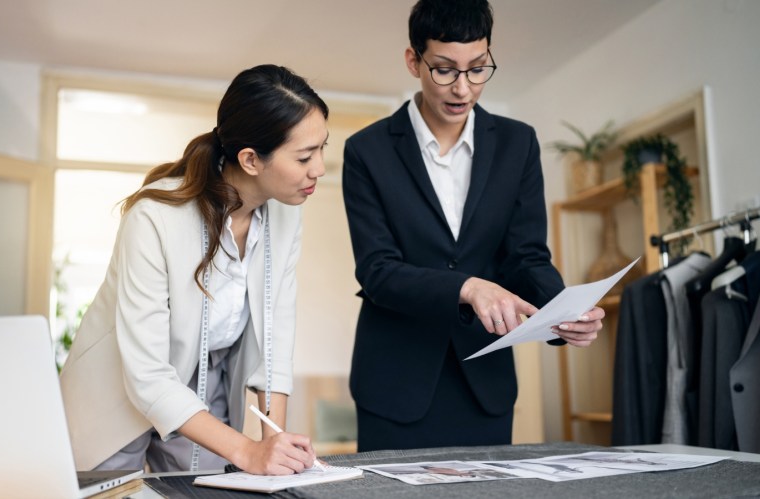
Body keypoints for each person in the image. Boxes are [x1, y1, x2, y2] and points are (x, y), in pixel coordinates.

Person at [341, 0, 605, 452]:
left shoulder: (517, 143)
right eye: (445, 69)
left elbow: (526, 255)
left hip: (485, 381)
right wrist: (466, 287)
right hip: (394, 383)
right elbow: (378, 271)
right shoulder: (366, 151)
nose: (463, 88)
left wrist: (562, 311)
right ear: (413, 61)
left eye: (478, 68)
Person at [59, 64, 329, 475]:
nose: (320, 169)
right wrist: (248, 452)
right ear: (251, 159)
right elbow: (148, 375)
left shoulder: (287, 217)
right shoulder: (154, 217)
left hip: (208, 382)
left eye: (322, 149)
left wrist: (272, 440)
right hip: (120, 388)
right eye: (306, 156)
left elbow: (276, 337)